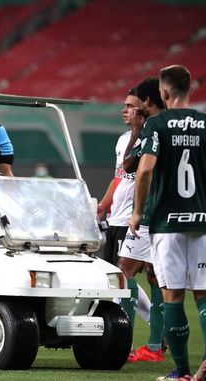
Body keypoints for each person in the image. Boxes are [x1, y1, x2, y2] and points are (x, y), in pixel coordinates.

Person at [130, 65, 206, 381]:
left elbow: (145, 170)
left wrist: (137, 211)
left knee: (173, 295)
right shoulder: (204, 123)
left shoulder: (157, 124)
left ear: (163, 92)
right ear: (192, 88)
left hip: (167, 221)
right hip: (202, 220)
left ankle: (182, 372)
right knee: (203, 296)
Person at [118, 77, 167, 363]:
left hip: (147, 214)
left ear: (146, 104)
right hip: (171, 214)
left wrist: (139, 128)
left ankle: (121, 344)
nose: (130, 111)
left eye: (134, 107)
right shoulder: (184, 124)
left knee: (122, 273)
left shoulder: (152, 127)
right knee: (156, 278)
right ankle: (156, 346)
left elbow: (130, 165)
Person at [97, 87, 145, 266]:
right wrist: (103, 206)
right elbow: (118, 178)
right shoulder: (123, 139)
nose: (124, 110)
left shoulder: (149, 138)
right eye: (124, 106)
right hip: (113, 219)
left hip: (130, 220)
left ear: (143, 109)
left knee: (126, 272)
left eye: (130, 106)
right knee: (113, 273)